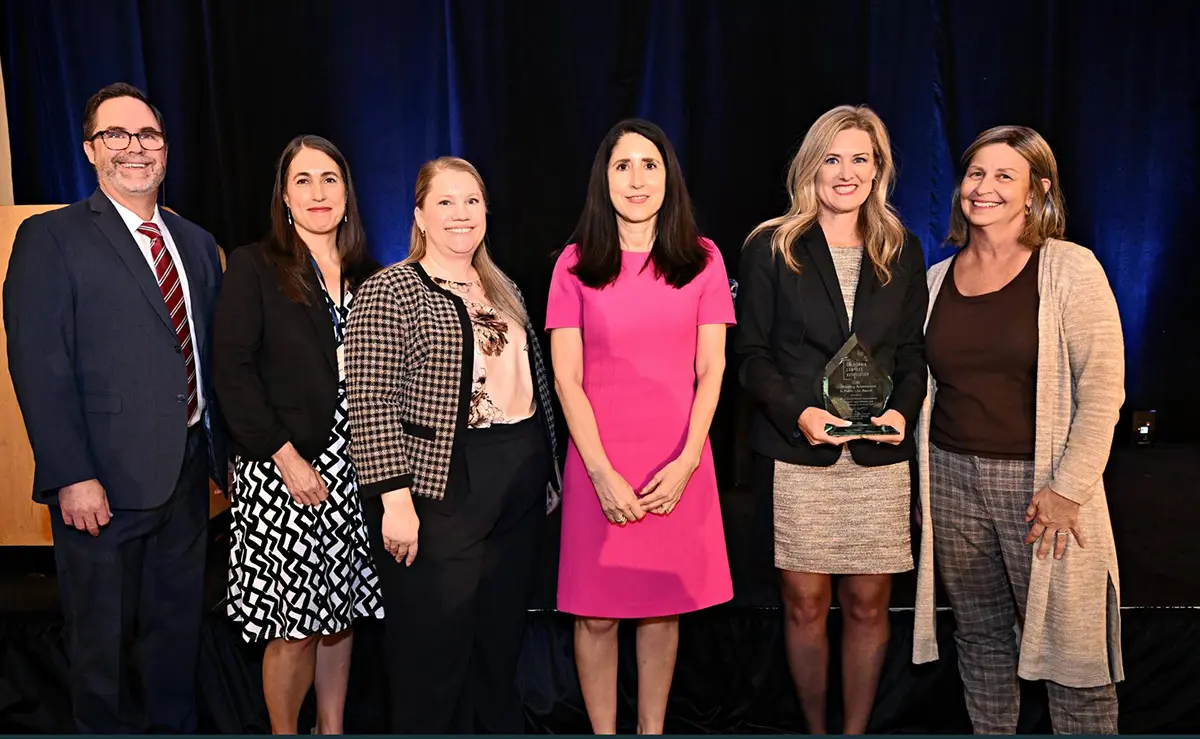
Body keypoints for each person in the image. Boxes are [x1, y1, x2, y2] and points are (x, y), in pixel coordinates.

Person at [2, 82, 229, 732]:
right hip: (98, 487)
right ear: (89, 148)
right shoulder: (51, 238)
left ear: (165, 148)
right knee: (99, 650)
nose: (135, 148)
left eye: (149, 136)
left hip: (186, 480)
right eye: (117, 135)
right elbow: (40, 366)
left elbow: (211, 359)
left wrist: (220, 458)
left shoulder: (195, 241)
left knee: (174, 640)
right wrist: (71, 472)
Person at [917, 125, 1125, 734]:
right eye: (975, 173)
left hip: (1044, 490)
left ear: (1037, 191)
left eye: (1004, 175)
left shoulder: (1069, 268)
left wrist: (1068, 489)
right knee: (981, 641)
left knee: (1074, 655)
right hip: (951, 481)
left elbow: (1104, 391)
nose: (984, 188)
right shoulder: (935, 279)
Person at [343, 156, 560, 734]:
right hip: (438, 484)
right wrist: (393, 500)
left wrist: (547, 474)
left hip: (516, 476)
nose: (461, 213)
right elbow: (369, 401)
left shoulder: (502, 285)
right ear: (418, 214)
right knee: (432, 651)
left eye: (471, 200)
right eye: (445, 201)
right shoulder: (389, 289)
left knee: (498, 639)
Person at [734, 104, 930, 734]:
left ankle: (855, 734)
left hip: (877, 458)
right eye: (832, 158)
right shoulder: (771, 246)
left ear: (879, 171)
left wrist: (903, 410)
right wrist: (800, 414)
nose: (846, 172)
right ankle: (817, 731)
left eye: (860, 159)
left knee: (870, 606)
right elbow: (751, 356)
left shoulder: (901, 249)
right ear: (810, 166)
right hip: (800, 456)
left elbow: (912, 353)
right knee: (805, 604)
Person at [547, 118, 734, 735]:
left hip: (678, 461)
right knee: (595, 616)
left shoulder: (703, 260)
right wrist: (600, 472)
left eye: (649, 165)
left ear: (668, 177)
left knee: (662, 611)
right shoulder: (573, 264)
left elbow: (713, 371)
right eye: (622, 165)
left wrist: (686, 462)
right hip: (598, 461)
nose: (636, 178)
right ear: (604, 178)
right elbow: (566, 380)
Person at [213, 135, 384, 734]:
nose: (318, 192)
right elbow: (230, 371)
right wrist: (283, 456)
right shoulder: (254, 266)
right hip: (282, 472)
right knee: (292, 628)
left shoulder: (371, 274)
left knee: (342, 612)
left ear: (347, 194)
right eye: (304, 180)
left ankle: (330, 727)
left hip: (355, 467)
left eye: (330, 179)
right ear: (284, 197)